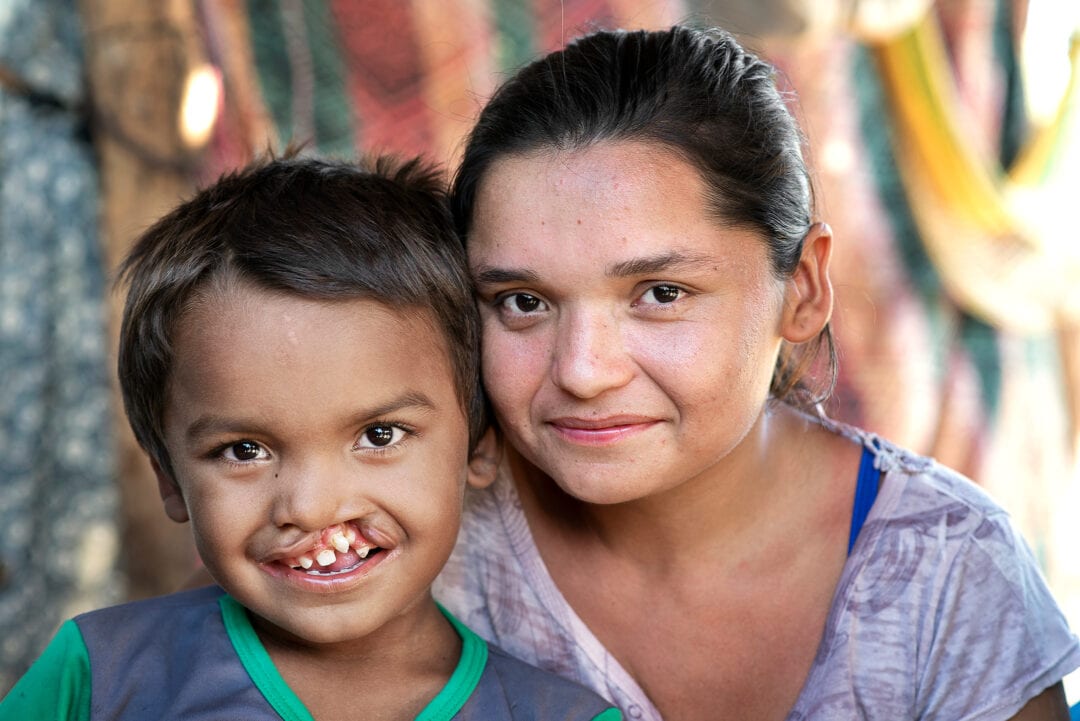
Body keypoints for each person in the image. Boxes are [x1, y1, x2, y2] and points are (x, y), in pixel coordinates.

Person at [432, 25, 1080, 720]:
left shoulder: (949, 573)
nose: (583, 371)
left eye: (661, 293)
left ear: (801, 288)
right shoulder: (425, 534)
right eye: (522, 303)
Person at [0, 155, 621, 721]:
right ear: (169, 476)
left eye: (379, 435)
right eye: (244, 451)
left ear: (479, 446)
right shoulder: (100, 676)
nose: (312, 506)